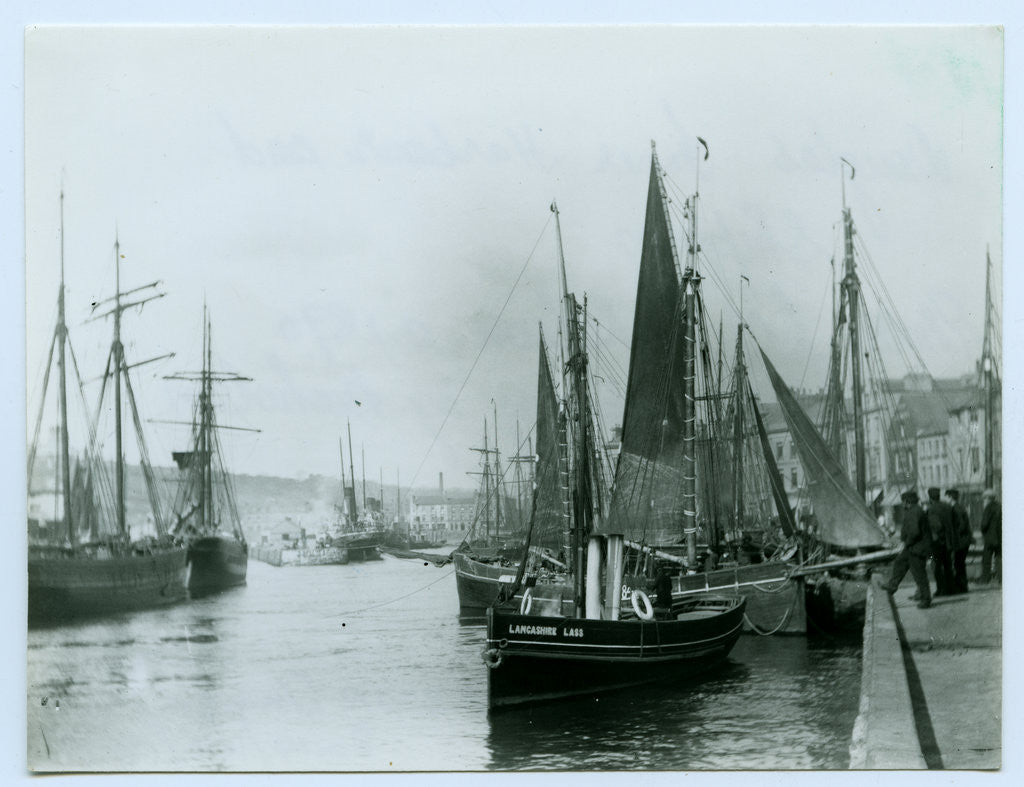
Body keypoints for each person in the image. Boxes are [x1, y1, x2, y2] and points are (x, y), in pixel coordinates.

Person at [885, 489, 933, 608]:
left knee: (919, 574)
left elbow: (914, 532)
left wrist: (905, 543)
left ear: (907, 502)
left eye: (903, 502)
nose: (902, 504)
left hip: (917, 548)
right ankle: (892, 586)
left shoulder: (914, 512)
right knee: (900, 563)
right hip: (913, 548)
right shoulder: (916, 510)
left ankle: (926, 599)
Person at [925, 486, 956, 596]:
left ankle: (941, 589)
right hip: (949, 542)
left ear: (930, 498)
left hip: (937, 544)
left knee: (937, 566)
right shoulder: (948, 507)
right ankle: (950, 589)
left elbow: (936, 527)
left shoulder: (931, 509)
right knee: (948, 566)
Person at [946, 488, 972, 593]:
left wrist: (953, 534)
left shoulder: (956, 509)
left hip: (961, 541)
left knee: (959, 564)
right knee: (959, 563)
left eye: (946, 497)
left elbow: (961, 525)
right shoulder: (959, 507)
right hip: (963, 540)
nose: (945, 499)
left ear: (950, 497)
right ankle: (962, 586)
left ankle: (962, 587)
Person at [980, 488, 1002, 585]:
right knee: (999, 558)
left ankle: (985, 578)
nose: (983, 500)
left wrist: (982, 530)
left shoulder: (988, 508)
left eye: (984, 498)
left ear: (988, 498)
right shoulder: (999, 506)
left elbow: (984, 524)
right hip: (999, 536)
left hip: (989, 537)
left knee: (986, 559)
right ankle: (1001, 578)